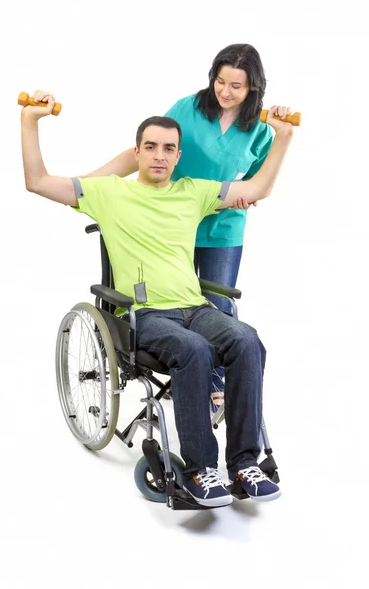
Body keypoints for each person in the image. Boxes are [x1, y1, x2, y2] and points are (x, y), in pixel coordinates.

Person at [21, 90, 293, 507]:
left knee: (247, 340)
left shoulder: (194, 192)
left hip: (195, 307)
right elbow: (37, 182)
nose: (159, 156)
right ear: (137, 151)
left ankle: (242, 465)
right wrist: (30, 121)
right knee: (194, 350)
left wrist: (284, 136)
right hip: (145, 316)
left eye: (169, 148)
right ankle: (201, 470)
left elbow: (258, 187)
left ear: (179, 155)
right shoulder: (108, 192)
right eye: (150, 147)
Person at [85, 44, 278, 413]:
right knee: (171, 305)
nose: (225, 91)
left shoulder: (260, 128)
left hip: (222, 226)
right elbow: (144, 151)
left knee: (218, 308)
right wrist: (92, 181)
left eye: (236, 86)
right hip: (172, 221)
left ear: (253, 87)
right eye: (220, 81)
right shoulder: (187, 109)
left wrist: (246, 195)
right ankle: (189, 373)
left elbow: (257, 181)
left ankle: (214, 388)